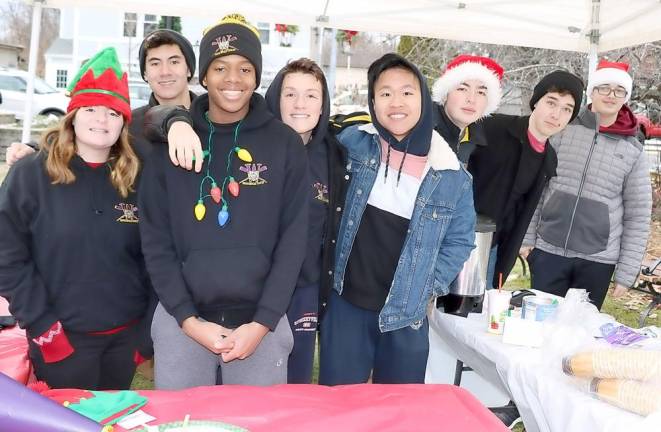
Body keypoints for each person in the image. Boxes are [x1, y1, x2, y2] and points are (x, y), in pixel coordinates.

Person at [138, 14, 309, 389]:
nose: (233, 78)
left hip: (258, 324)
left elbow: (295, 239)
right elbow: (155, 240)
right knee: (183, 424)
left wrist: (263, 322)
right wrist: (187, 319)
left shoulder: (284, 145)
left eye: (245, 68)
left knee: (255, 422)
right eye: (220, 67)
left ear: (257, 76)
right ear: (203, 76)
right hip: (182, 320)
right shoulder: (172, 140)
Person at [318, 53, 475, 385]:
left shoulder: (451, 175)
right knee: (338, 407)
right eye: (385, 93)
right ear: (373, 102)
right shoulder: (352, 145)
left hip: (406, 317)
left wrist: (425, 287)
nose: (396, 102)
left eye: (407, 92)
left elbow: (460, 240)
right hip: (346, 303)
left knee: (399, 412)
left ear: (423, 98)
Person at [0, 47, 151, 390]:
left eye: (113, 113)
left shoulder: (138, 177)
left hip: (124, 342)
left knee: (113, 422)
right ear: (72, 115)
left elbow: (155, 257)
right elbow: (8, 256)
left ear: (124, 123)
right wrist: (43, 327)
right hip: (60, 341)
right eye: (92, 109)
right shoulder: (30, 175)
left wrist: (143, 338)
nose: (102, 120)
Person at [523, 60, 652, 309]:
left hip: (598, 261)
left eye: (619, 90)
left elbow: (638, 216)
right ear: (592, 92)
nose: (611, 95)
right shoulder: (563, 131)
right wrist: (528, 239)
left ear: (626, 97)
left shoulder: (633, 151)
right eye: (604, 87)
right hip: (548, 250)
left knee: (579, 334)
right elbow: (538, 188)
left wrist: (626, 273)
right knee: (539, 327)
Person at [264, 58, 347, 383]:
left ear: (323, 103)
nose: (301, 104)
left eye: (311, 95)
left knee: (296, 379)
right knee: (254, 383)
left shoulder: (335, 155)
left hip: (306, 289)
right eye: (290, 94)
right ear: (276, 99)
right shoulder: (253, 148)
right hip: (257, 288)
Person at [5, 29, 198, 167]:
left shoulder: (212, 117)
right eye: (155, 63)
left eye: (174, 61)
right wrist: (33, 148)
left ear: (188, 68)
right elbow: (78, 136)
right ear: (145, 73)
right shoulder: (127, 125)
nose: (165, 72)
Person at [469, 70, 585, 289]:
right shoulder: (492, 128)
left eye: (567, 109)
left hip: (495, 248)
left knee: (480, 313)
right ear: (535, 102)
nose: (556, 115)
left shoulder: (549, 159)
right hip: (460, 239)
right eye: (551, 103)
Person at [431, 54, 504, 163]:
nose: (471, 99)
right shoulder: (421, 130)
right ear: (446, 94)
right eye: (462, 89)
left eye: (481, 92)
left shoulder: (483, 144)